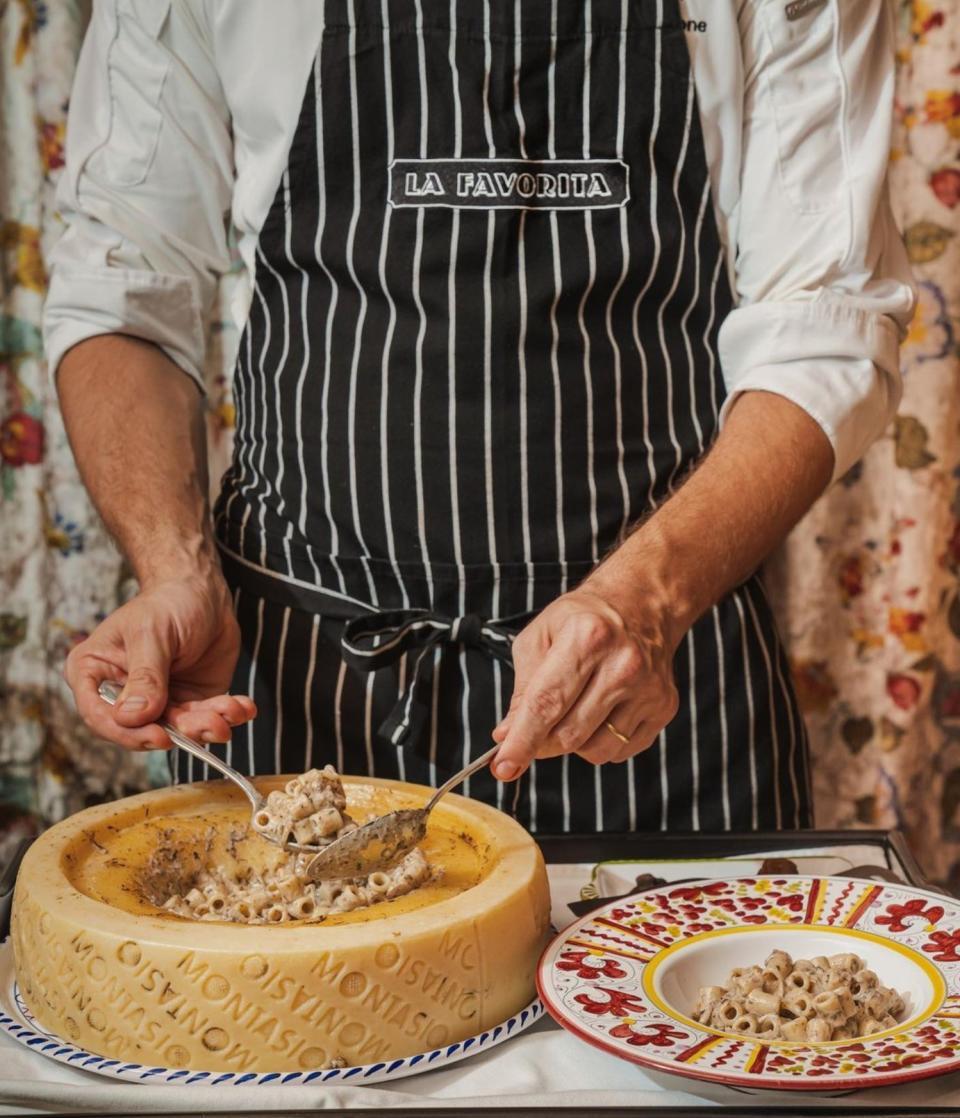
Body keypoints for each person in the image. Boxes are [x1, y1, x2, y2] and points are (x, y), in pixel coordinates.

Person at [45, 0, 915, 835]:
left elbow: (826, 324)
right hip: (294, 680)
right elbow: (125, 289)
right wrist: (174, 569)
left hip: (654, 676)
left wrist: (643, 604)